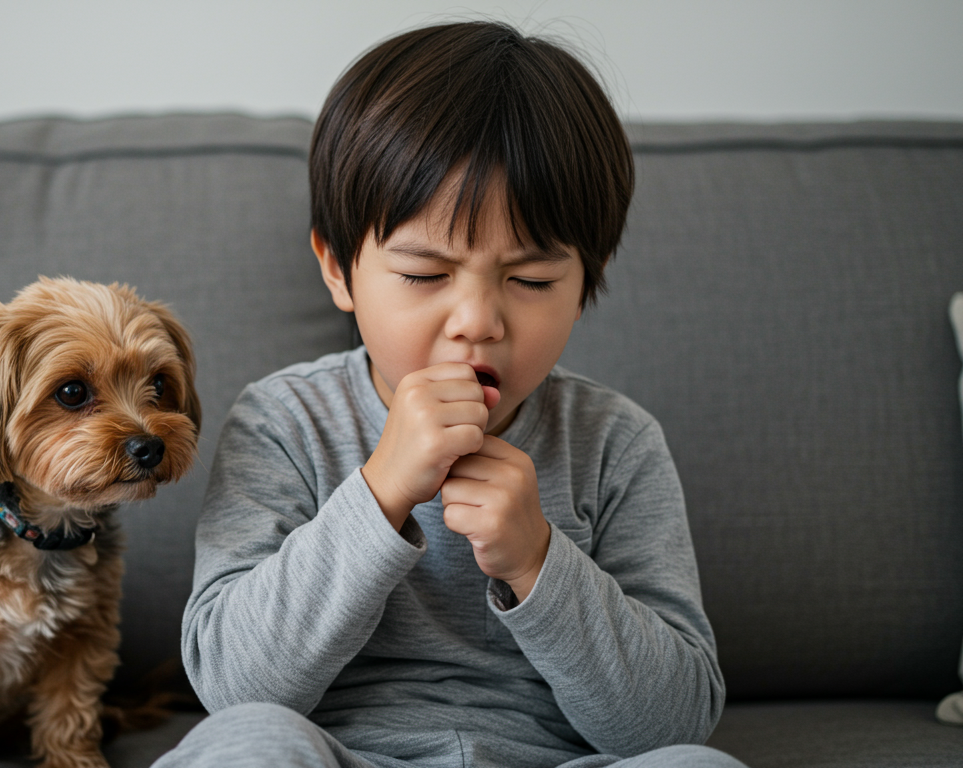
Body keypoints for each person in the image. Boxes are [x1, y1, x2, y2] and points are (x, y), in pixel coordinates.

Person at [154, 20, 747, 768]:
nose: (477, 322)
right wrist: (378, 495)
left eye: (531, 279)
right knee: (250, 743)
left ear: (586, 284)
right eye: (425, 275)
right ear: (337, 268)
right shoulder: (282, 422)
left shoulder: (614, 442)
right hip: (343, 755)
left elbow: (673, 721)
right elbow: (233, 684)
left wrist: (537, 560)